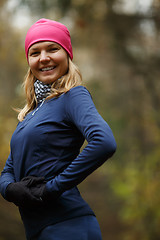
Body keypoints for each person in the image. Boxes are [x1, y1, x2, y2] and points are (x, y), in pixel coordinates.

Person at [0, 18, 116, 240]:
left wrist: (52, 188)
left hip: (68, 225)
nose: (44, 58)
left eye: (53, 49)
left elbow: (104, 142)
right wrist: (9, 190)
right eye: (35, 53)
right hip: (38, 230)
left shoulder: (73, 96)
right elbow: (9, 170)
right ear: (29, 61)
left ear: (67, 55)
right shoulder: (29, 114)